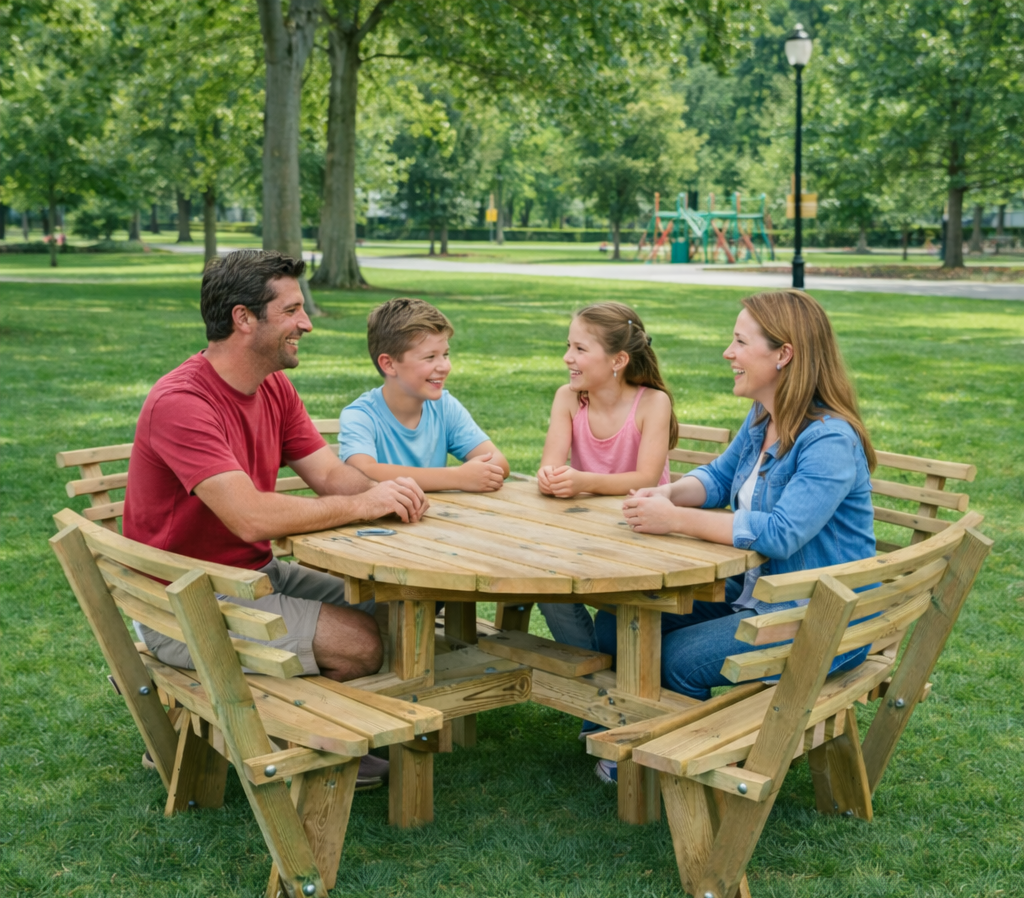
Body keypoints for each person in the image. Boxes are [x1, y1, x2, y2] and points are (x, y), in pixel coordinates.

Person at [123, 249, 429, 789]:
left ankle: (283, 728)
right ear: (244, 318)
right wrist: (364, 505)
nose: (306, 323)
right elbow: (250, 517)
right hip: (184, 603)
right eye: (291, 311)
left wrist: (395, 493)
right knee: (361, 642)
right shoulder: (183, 402)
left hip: (252, 576)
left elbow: (332, 477)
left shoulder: (273, 387)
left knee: (398, 610)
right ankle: (288, 740)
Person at [596, 290, 877, 761]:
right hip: (754, 596)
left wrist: (676, 520)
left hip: (816, 620)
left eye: (740, 342)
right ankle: (610, 741)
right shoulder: (765, 415)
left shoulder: (828, 439)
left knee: (677, 658)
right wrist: (666, 494)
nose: (728, 353)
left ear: (783, 354)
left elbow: (783, 532)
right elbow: (719, 478)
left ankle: (664, 764)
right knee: (615, 622)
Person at [535, 303, 676, 758]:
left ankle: (607, 704)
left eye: (579, 348)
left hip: (645, 533)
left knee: (618, 610)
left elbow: (648, 479)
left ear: (618, 360)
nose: (567, 358)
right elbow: (552, 464)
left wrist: (581, 482)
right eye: (567, 347)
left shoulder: (652, 403)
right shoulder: (568, 398)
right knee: (546, 582)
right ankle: (601, 699)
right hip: (585, 533)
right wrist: (550, 477)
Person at [340, 298, 510, 491]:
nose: (445, 366)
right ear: (389, 364)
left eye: (445, 354)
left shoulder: (445, 407)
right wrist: (456, 478)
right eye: (430, 357)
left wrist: (466, 475)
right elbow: (361, 472)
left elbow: (499, 463)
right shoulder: (361, 415)